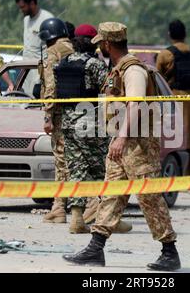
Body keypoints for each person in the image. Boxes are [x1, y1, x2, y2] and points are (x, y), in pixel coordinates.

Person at [63, 22, 181, 271]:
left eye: (101, 44)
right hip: (122, 144)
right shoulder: (118, 69)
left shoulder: (133, 70)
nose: (99, 49)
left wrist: (121, 138)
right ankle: (95, 248)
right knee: (111, 195)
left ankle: (169, 251)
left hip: (137, 145)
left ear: (107, 44)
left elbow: (135, 105)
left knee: (149, 197)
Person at [52, 23, 132, 234]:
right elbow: (109, 93)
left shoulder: (63, 63)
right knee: (104, 170)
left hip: (68, 125)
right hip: (91, 125)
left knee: (76, 170)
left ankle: (77, 219)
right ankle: (110, 219)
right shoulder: (94, 65)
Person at [38, 18, 74, 225]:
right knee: (79, 162)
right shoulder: (76, 49)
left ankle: (60, 208)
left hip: (61, 115)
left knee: (62, 163)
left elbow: (50, 87)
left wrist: (48, 115)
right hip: (82, 114)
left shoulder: (53, 53)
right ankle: (68, 207)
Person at [156, 19, 190, 174]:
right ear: (185, 34)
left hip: (174, 99)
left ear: (169, 34)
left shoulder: (165, 54)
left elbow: (158, 79)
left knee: (176, 139)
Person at [15, 0, 54, 93]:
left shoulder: (47, 19)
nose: (21, 10)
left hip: (40, 72)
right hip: (26, 71)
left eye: (23, 7)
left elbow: (53, 48)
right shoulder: (26, 20)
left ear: (32, 3)